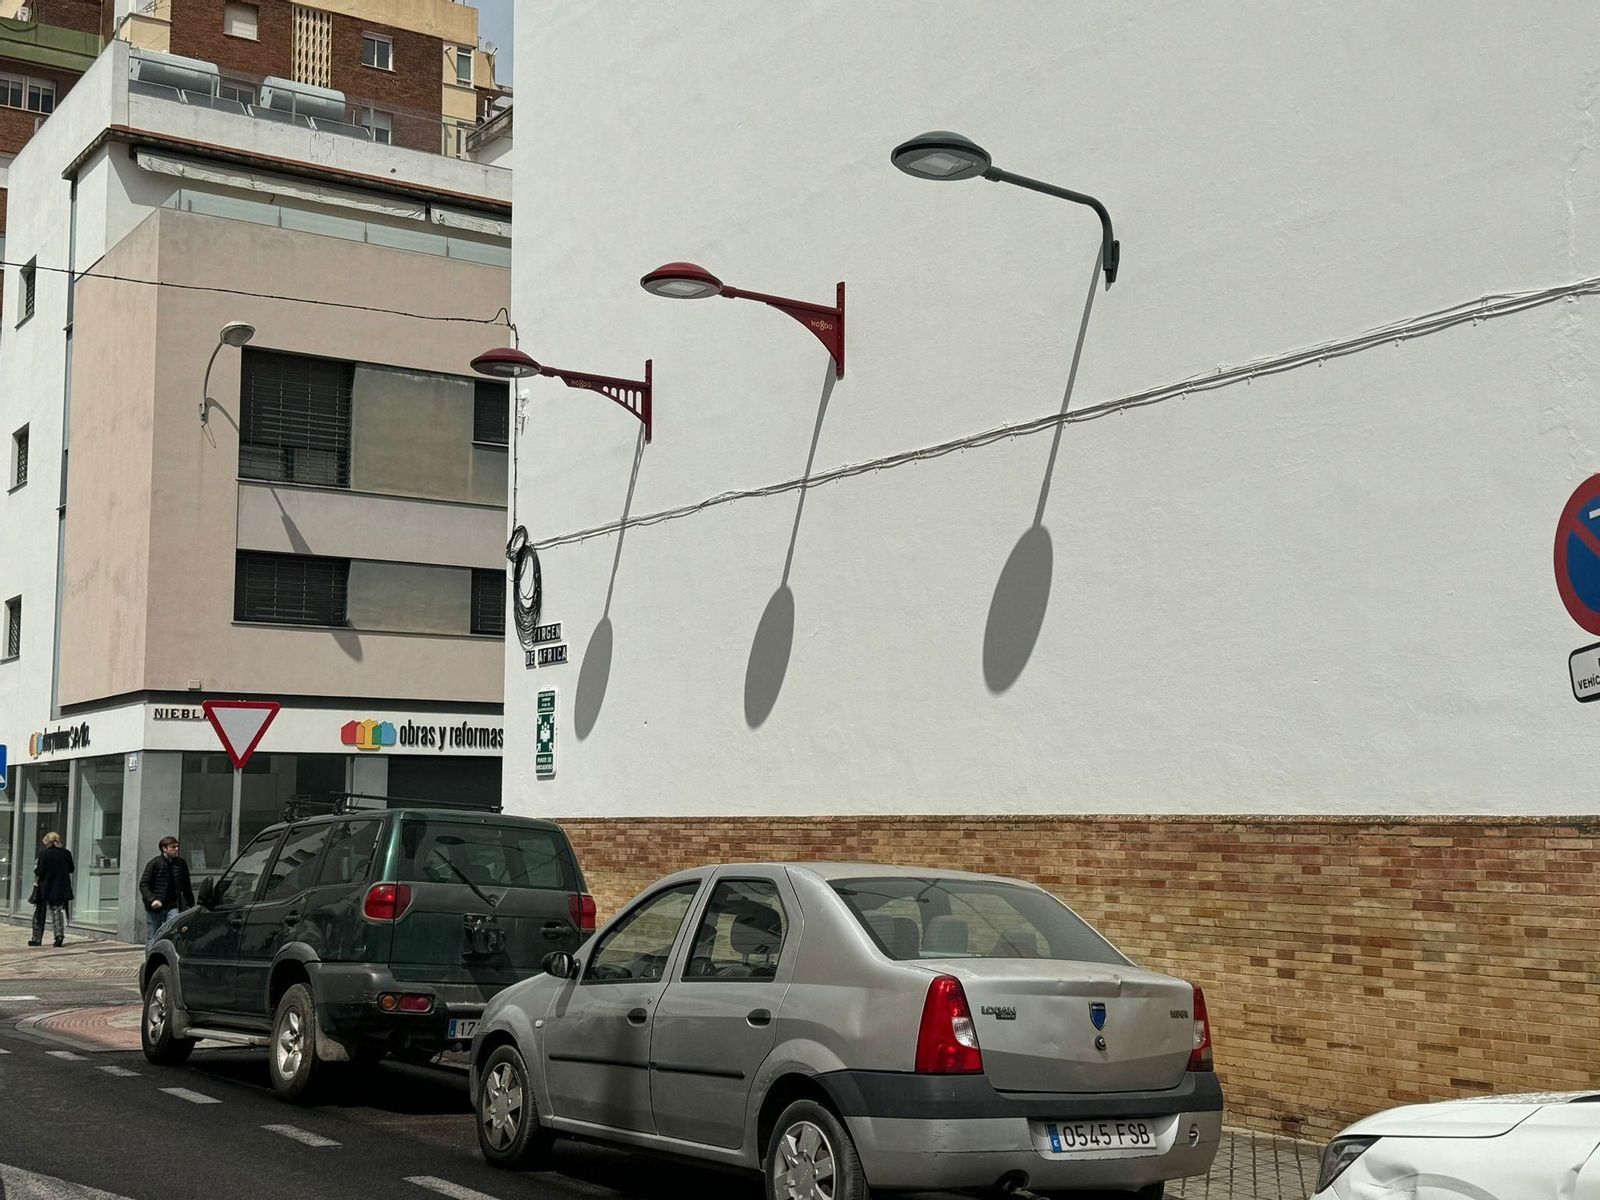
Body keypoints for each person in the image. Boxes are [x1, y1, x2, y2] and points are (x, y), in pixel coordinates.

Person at [139, 836, 194, 950]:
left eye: (177, 846)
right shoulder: (155, 863)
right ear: (164, 848)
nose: (176, 849)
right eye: (173, 847)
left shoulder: (180, 864)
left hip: (173, 906)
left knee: (172, 933)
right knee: (153, 936)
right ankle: (151, 963)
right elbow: (144, 884)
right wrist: (152, 899)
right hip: (155, 908)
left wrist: (190, 902)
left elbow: (186, 884)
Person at [29, 832, 74, 948]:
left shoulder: (44, 854)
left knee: (39, 912)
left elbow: (39, 871)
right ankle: (59, 936)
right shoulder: (66, 853)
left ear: (47, 843)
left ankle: (36, 938)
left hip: (45, 887)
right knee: (57, 911)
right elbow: (71, 869)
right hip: (61, 887)